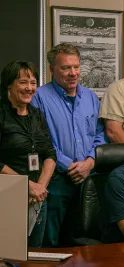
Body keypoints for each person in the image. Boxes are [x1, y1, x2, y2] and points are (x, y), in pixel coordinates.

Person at [32, 43, 106, 247]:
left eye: (76, 67)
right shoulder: (38, 97)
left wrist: (90, 162)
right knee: (51, 241)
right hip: (56, 181)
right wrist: (69, 165)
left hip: (88, 181)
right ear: (52, 69)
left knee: (83, 242)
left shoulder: (90, 97)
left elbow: (100, 134)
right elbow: (40, 140)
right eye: (66, 68)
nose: (73, 73)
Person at [0, 61, 57, 247]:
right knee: (8, 253)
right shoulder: (2, 114)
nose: (29, 88)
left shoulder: (37, 115)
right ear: (9, 84)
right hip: (7, 195)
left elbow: (50, 154)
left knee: (34, 254)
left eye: (33, 83)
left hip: (38, 199)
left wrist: (39, 188)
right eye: (23, 82)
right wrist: (25, 185)